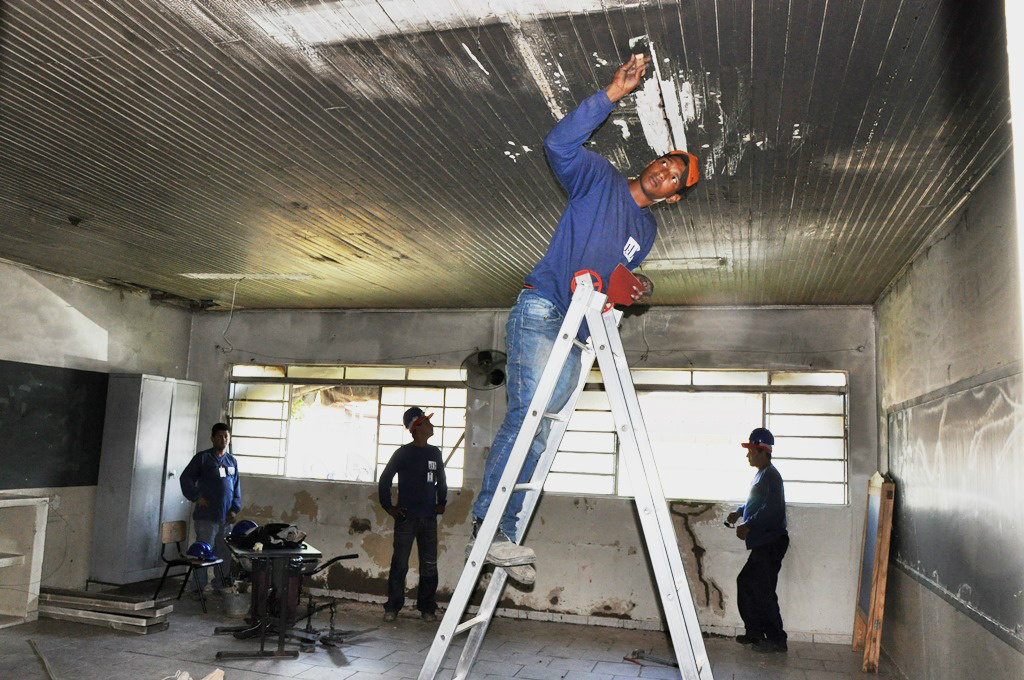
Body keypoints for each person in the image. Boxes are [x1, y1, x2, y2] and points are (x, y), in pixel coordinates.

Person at [469, 53, 700, 583]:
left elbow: (612, 277)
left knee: (547, 422)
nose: (664, 170)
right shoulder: (599, 179)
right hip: (543, 306)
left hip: (577, 327)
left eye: (674, 177)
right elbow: (558, 144)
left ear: (674, 196)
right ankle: (490, 530)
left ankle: (502, 533)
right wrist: (611, 95)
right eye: (665, 161)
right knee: (528, 412)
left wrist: (630, 287)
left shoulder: (647, 231)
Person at [378, 407, 447, 622]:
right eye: (427, 422)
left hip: (428, 517)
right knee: (400, 563)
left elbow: (441, 480)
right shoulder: (403, 453)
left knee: (429, 564)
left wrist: (441, 502)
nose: (432, 425)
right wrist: (389, 507)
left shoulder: (435, 452)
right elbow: (385, 479)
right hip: (406, 516)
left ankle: (427, 607)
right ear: (417, 428)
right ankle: (393, 606)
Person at [727, 427, 790, 653]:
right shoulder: (762, 475)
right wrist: (739, 512)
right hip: (764, 542)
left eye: (751, 450)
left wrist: (749, 524)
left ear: (762, 451)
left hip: (771, 542)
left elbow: (771, 508)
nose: (748, 455)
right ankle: (754, 632)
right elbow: (756, 503)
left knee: (763, 589)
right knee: (746, 583)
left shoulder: (771, 475)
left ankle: (776, 639)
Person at [180, 422, 241, 593]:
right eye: (220, 436)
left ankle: (220, 586)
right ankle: (197, 589)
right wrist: (197, 496)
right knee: (203, 555)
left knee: (224, 555)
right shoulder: (203, 458)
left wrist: (235, 509)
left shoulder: (231, 461)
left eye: (226, 437)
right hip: (206, 517)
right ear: (213, 438)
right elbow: (186, 478)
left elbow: (236, 488)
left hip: (225, 518)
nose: (223, 439)